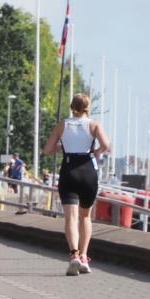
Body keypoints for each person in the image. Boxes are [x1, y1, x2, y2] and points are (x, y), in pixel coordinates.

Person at [44, 93, 111, 276]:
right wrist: (96, 152)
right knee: (85, 217)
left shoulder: (63, 124)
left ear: (72, 107)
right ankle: (84, 257)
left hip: (69, 171)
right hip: (88, 171)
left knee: (71, 218)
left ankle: (74, 254)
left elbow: (47, 150)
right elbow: (106, 144)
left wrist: (63, 146)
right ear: (87, 107)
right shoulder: (94, 125)